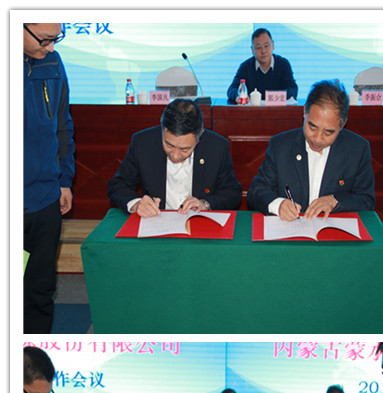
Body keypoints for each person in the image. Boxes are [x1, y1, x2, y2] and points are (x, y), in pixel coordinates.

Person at [247, 79, 375, 220]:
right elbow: (256, 191)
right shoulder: (281, 146)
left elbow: (366, 200)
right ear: (304, 112)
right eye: (312, 127)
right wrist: (278, 205)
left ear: (342, 125)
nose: (317, 139)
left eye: (328, 133)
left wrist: (335, 200)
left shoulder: (357, 149)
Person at [24, 23, 75, 333]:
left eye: (56, 38)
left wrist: (64, 180)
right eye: (44, 40)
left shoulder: (52, 62)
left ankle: (32, 349)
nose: (51, 47)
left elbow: (62, 123)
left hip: (44, 199)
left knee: (39, 290)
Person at [108, 98, 242, 217]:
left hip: (197, 224)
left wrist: (205, 204)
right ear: (162, 130)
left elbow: (232, 192)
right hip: (156, 222)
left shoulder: (217, 147)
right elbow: (118, 185)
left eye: (185, 149)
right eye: (169, 145)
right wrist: (137, 204)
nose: (175, 156)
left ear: (199, 137)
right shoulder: (143, 143)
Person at [227, 27, 298, 104]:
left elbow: (293, 89)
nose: (263, 51)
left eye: (266, 46)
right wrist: (238, 95)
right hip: (253, 111)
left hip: (277, 110)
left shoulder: (283, 64)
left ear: (273, 45)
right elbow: (232, 89)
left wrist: (272, 97)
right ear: (252, 50)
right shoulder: (245, 67)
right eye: (258, 48)